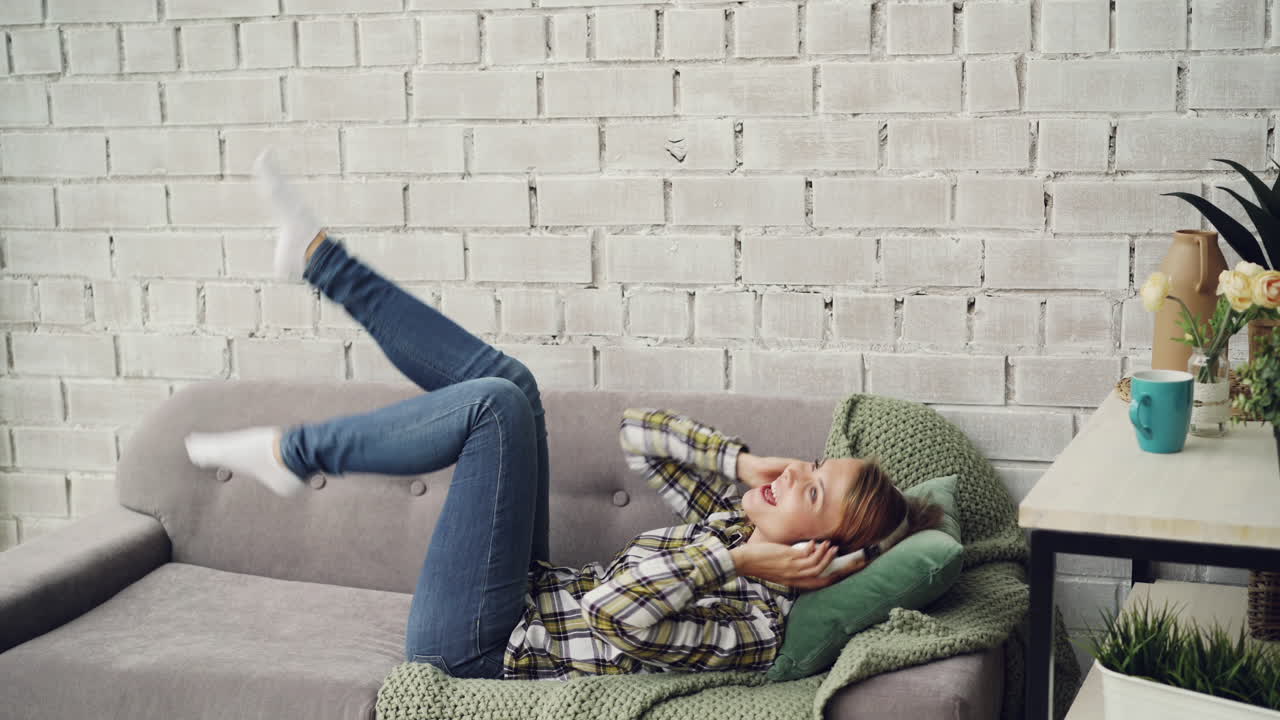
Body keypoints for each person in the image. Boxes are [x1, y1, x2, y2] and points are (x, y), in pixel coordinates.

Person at [185, 151, 944, 681]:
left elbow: (617, 616)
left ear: (825, 560)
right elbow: (638, 434)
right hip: (520, 592)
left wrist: (737, 563)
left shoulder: (755, 622)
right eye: (813, 466)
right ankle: (320, 259)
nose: (795, 473)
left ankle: (295, 456)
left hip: (477, 648)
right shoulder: (734, 524)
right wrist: (742, 466)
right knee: (510, 383)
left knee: (491, 408)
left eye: (812, 491)